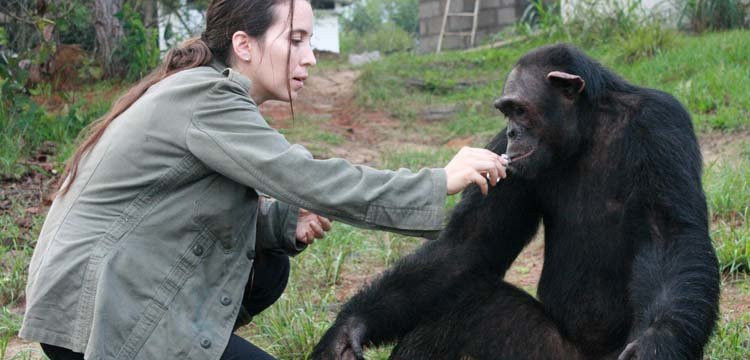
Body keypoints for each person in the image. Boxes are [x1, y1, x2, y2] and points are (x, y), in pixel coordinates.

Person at [18, 0, 508, 359]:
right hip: (97, 315)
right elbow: (310, 178)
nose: (310, 57)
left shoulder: (202, 91)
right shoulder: (208, 99)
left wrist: (278, 225)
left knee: (271, 264)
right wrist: (438, 180)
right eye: (295, 40)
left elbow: (185, 208)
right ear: (243, 45)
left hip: (101, 296)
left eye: (309, 41)